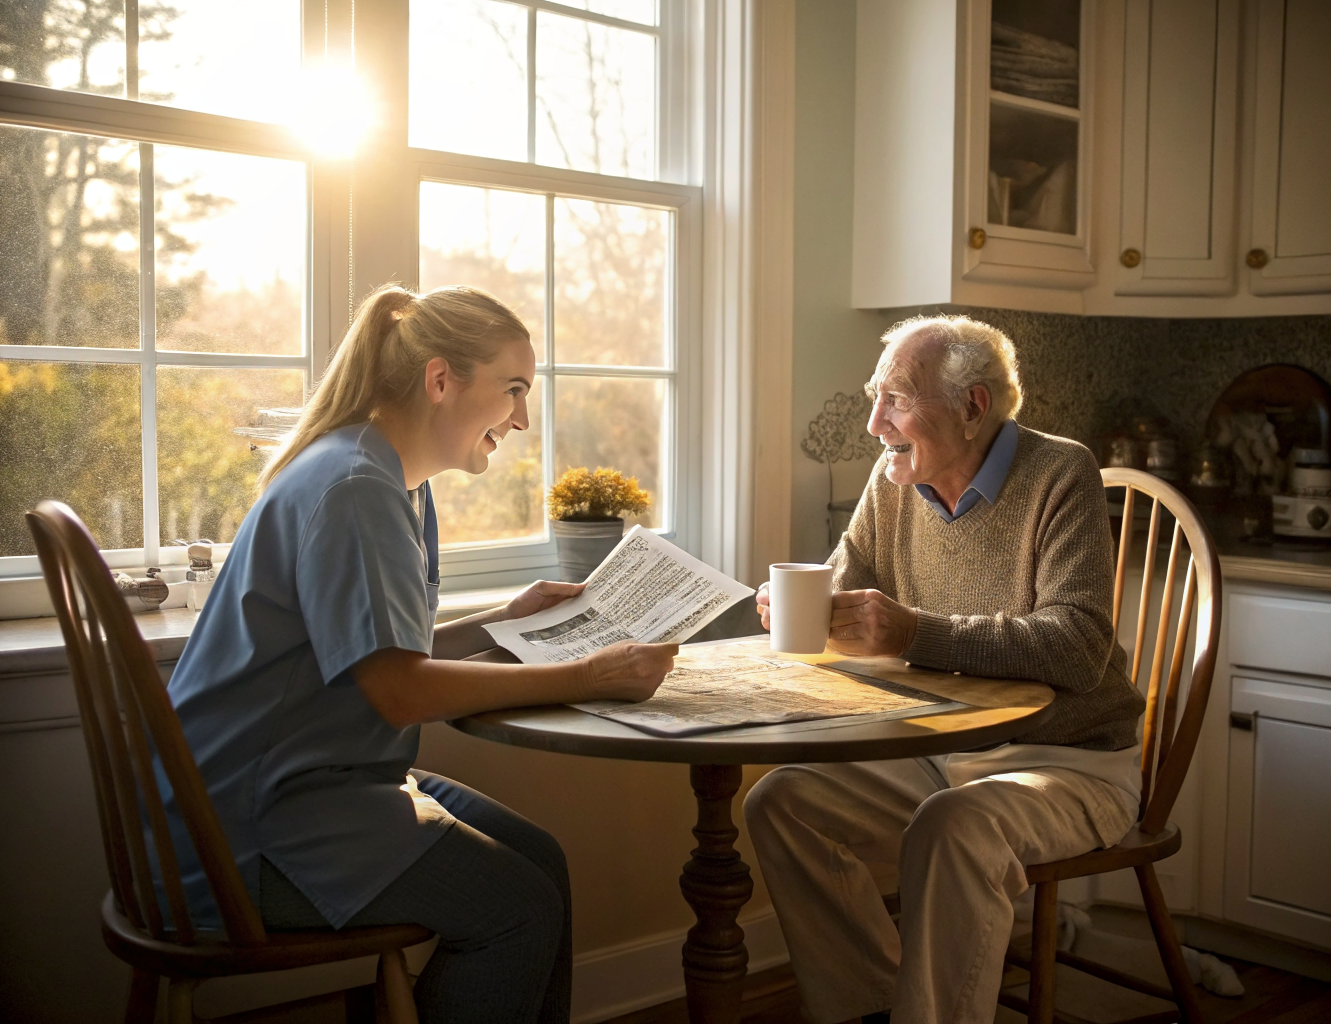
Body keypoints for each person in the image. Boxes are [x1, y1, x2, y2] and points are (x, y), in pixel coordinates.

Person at [162, 284, 676, 1024]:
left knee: (540, 862)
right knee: (519, 909)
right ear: (441, 381)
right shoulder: (354, 489)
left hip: (307, 785)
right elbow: (400, 693)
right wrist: (589, 674)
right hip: (247, 832)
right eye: (513, 390)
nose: (522, 419)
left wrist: (506, 617)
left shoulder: (388, 479)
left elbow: (369, 655)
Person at [747, 315, 1144, 1024]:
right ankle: (870, 1006)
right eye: (876, 396)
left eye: (896, 398)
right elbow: (844, 582)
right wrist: (798, 607)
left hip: (1073, 761)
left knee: (952, 826)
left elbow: (1078, 645)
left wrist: (917, 632)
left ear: (972, 407)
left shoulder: (1060, 472)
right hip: (942, 751)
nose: (874, 423)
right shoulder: (893, 477)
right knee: (779, 802)